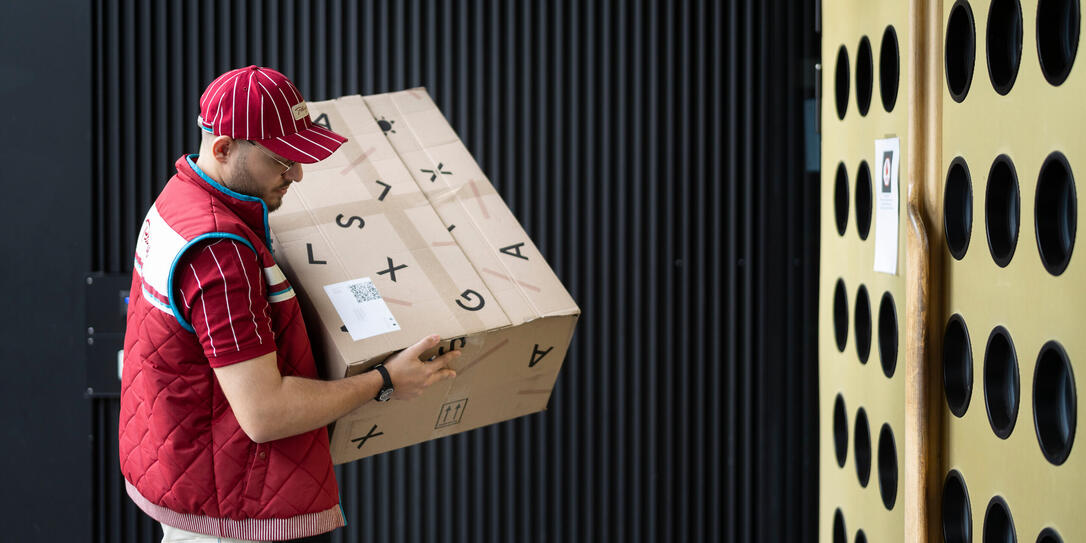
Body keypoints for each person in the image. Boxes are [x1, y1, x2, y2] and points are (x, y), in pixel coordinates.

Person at [118, 65, 459, 543]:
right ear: (223, 148)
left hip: (191, 470)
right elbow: (266, 414)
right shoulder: (219, 251)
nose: (297, 175)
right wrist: (385, 381)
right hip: (232, 511)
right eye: (282, 160)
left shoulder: (178, 200)